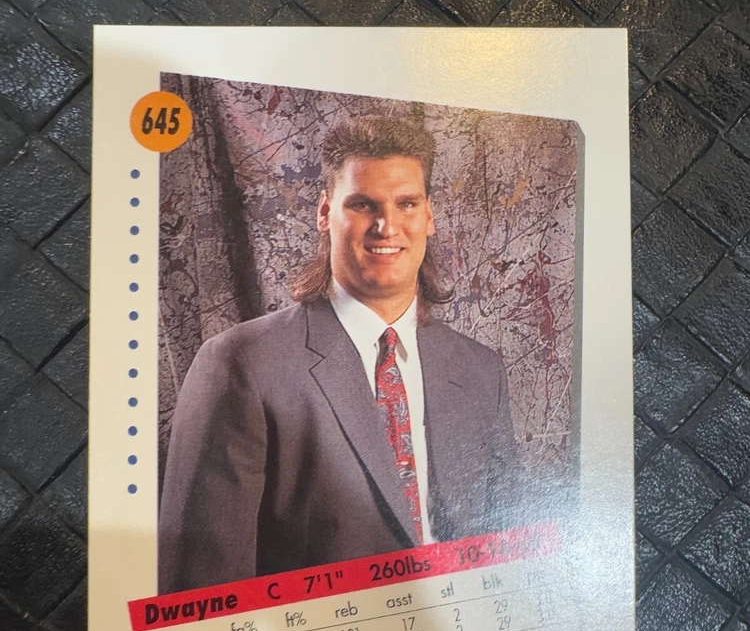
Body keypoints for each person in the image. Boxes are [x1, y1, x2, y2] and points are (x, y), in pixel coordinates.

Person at [158, 115, 522, 594]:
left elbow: (512, 559)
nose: (386, 226)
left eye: (406, 204)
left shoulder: (480, 371)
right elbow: (201, 594)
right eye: (363, 204)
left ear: (429, 216)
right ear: (325, 212)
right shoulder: (242, 364)